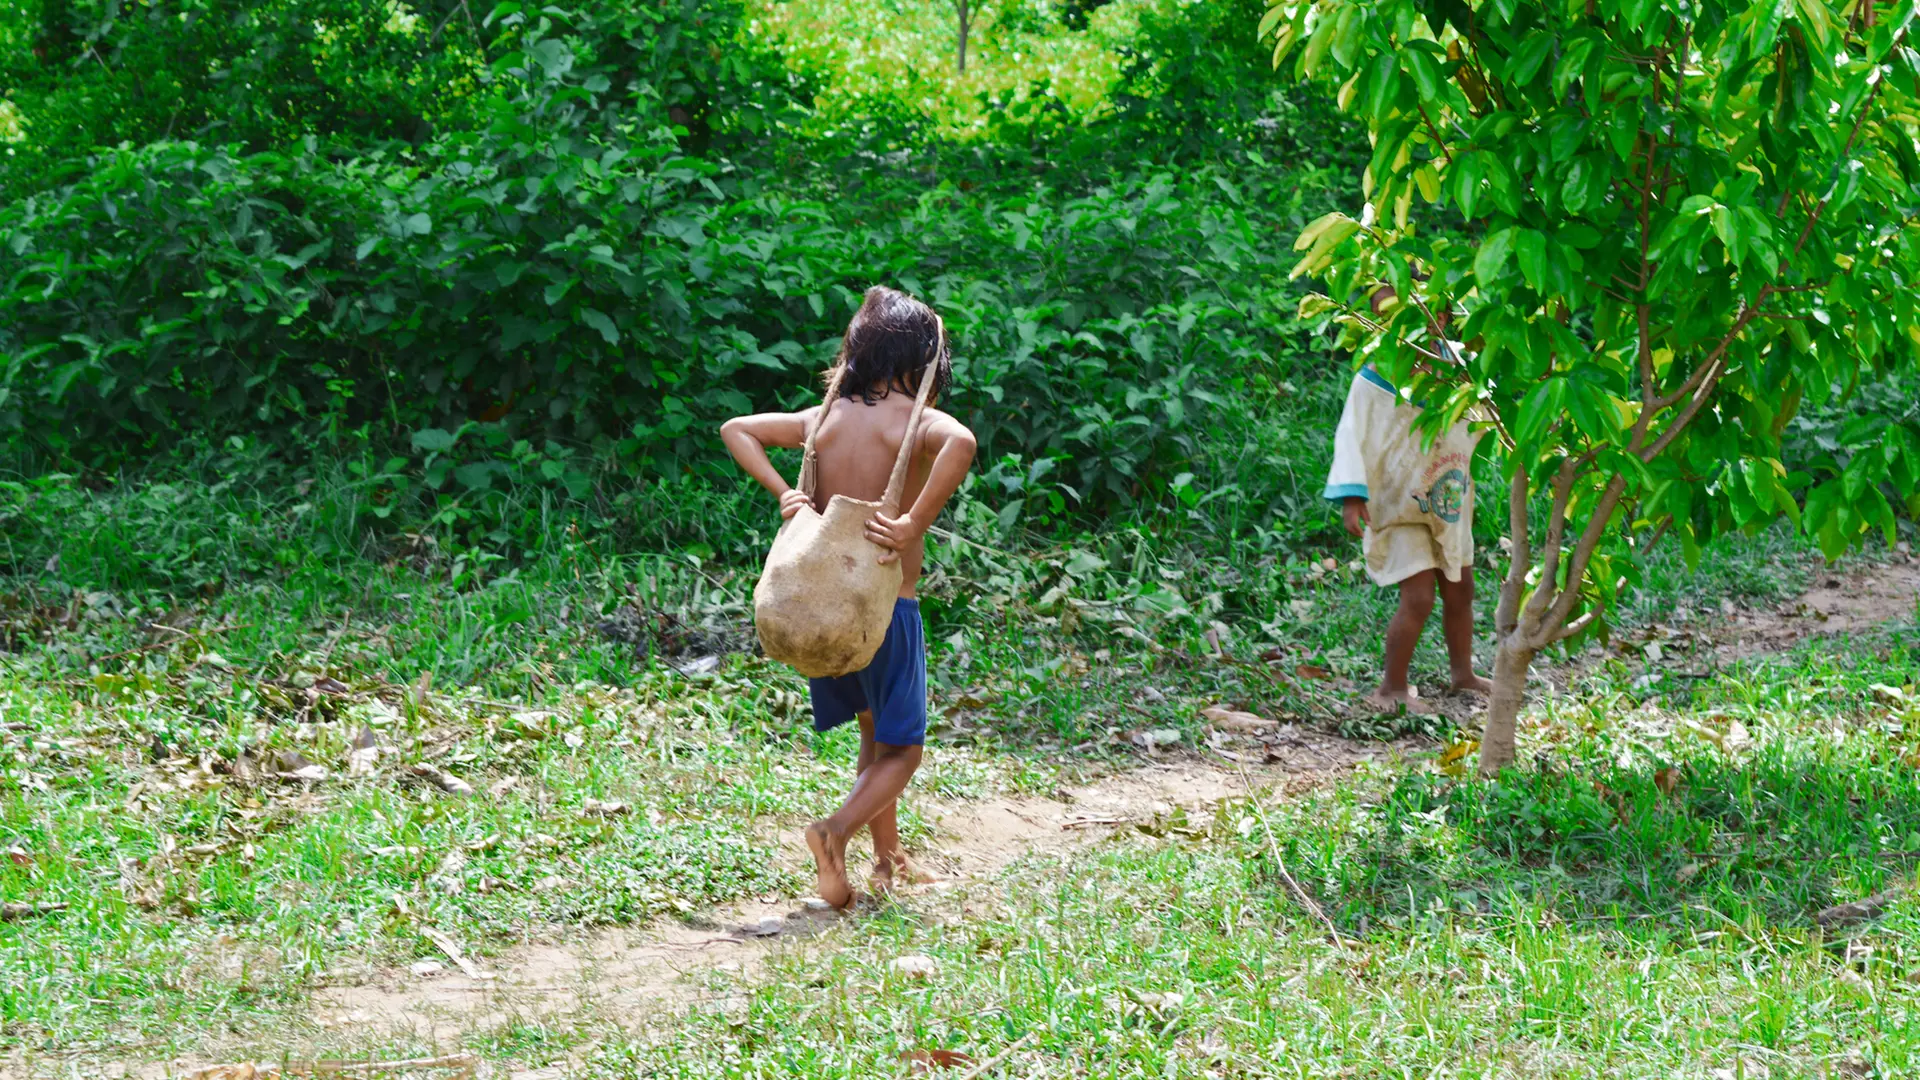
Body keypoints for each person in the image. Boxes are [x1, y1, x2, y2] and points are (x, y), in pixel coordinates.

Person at [720, 286, 977, 908]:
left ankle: (887, 863)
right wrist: (914, 523)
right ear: (921, 361)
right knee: (905, 750)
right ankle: (833, 833)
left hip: (826, 611)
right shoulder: (910, 424)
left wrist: (786, 492)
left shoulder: (823, 420)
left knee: (872, 736)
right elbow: (963, 443)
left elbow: (737, 429)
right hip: (888, 612)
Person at [1323, 284, 1491, 712]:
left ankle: (1462, 674)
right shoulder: (1372, 380)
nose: (1406, 328)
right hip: (1397, 509)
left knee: (1461, 589)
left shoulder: (1456, 367)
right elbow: (1351, 437)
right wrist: (1352, 497)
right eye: (1390, 319)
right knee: (1418, 598)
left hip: (1449, 504)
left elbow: (1489, 409)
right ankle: (1391, 687)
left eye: (1417, 314)